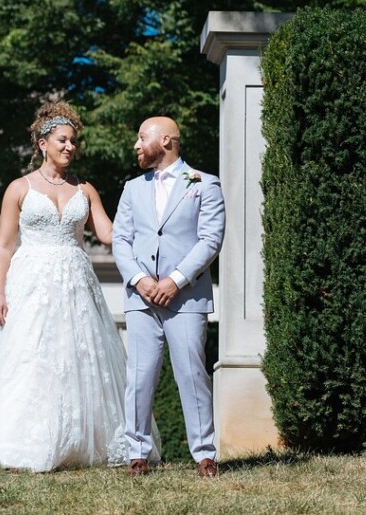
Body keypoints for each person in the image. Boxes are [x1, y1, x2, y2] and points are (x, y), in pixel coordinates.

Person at [0, 101, 159, 471]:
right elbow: (4, 245)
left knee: (79, 358)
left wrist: (149, 219)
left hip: (76, 281)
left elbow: (108, 233)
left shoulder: (85, 189)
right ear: (43, 143)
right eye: (62, 140)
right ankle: (19, 442)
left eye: (73, 141)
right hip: (30, 282)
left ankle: (78, 443)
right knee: (30, 357)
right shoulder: (19, 188)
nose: (70, 147)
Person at [112, 116, 225, 478]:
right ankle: (137, 454)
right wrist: (139, 279)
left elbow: (210, 240)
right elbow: (120, 240)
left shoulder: (205, 184)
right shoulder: (132, 188)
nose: (136, 144)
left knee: (192, 374)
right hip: (141, 298)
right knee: (140, 376)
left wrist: (175, 281)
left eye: (142, 137)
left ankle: (204, 454)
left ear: (166, 142)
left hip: (187, 298)